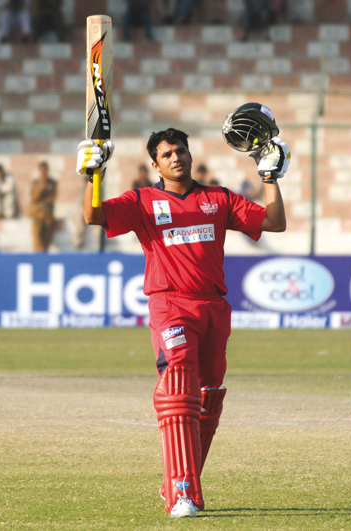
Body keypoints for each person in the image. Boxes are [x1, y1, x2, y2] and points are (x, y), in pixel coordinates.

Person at [78, 126, 289, 518]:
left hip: (213, 307)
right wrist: (93, 175)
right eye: (167, 154)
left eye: (181, 151)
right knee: (178, 388)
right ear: (154, 164)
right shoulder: (142, 201)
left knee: (207, 398)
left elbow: (275, 223)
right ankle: (181, 494)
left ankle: (177, 481)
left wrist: (269, 177)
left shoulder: (217, 197)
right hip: (170, 305)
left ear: (190, 155)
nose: (176, 158)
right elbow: (93, 215)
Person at [29, 161, 58, 252]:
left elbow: (52, 198)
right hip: (37, 212)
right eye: (42, 170)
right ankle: (38, 252)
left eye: (45, 169)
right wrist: (41, 188)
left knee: (47, 235)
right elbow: (34, 198)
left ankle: (45, 251)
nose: (43, 171)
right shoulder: (35, 183)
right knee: (37, 233)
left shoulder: (52, 183)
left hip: (48, 212)